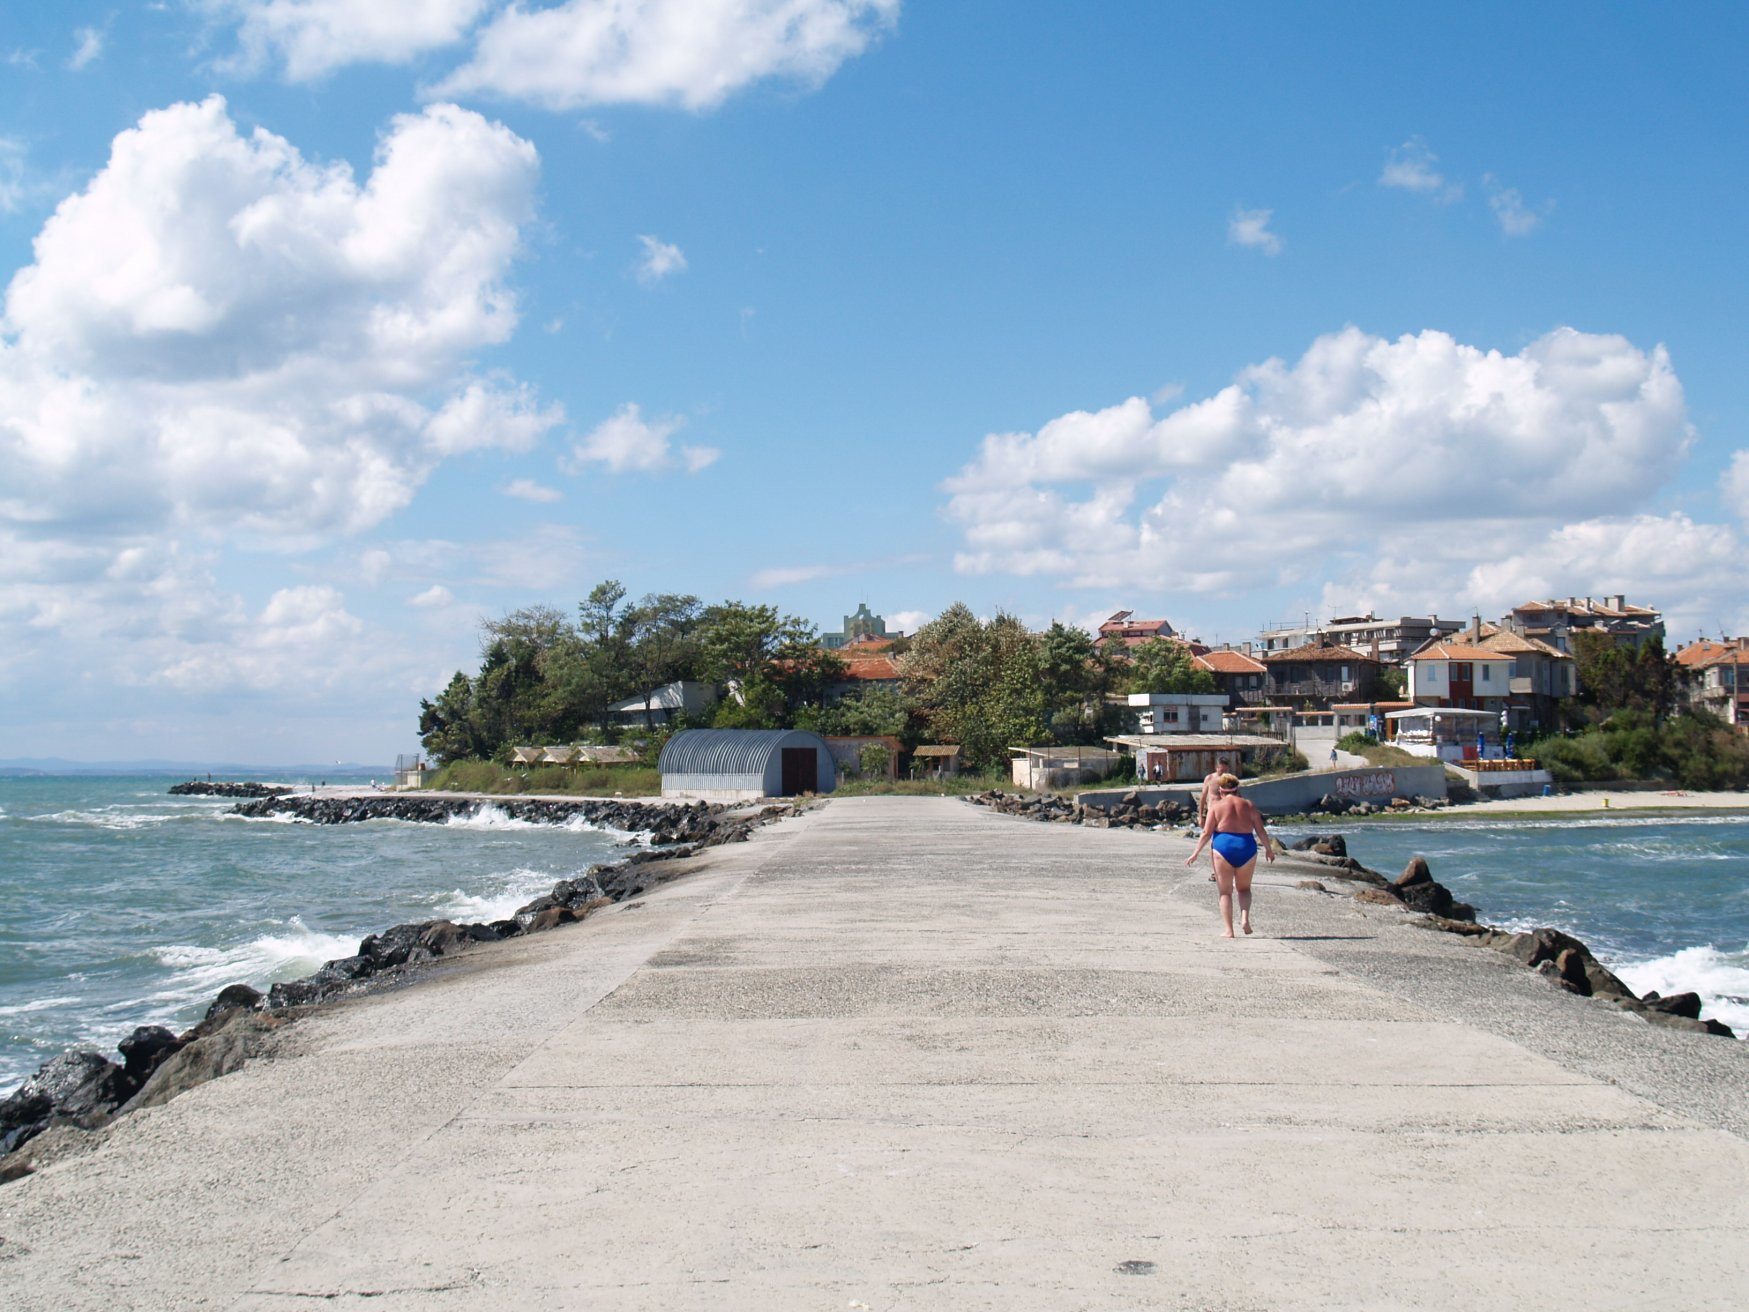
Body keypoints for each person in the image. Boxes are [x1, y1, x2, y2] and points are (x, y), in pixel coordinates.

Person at [1185, 773, 1273, 938]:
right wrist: (1269, 849)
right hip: (1246, 846)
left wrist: (1195, 853)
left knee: (1225, 892)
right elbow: (1260, 830)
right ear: (1237, 788)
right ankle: (1245, 919)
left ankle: (1229, 930)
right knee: (1244, 888)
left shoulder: (1216, 806)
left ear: (1220, 790)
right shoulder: (1248, 805)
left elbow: (1206, 832)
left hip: (1223, 847)